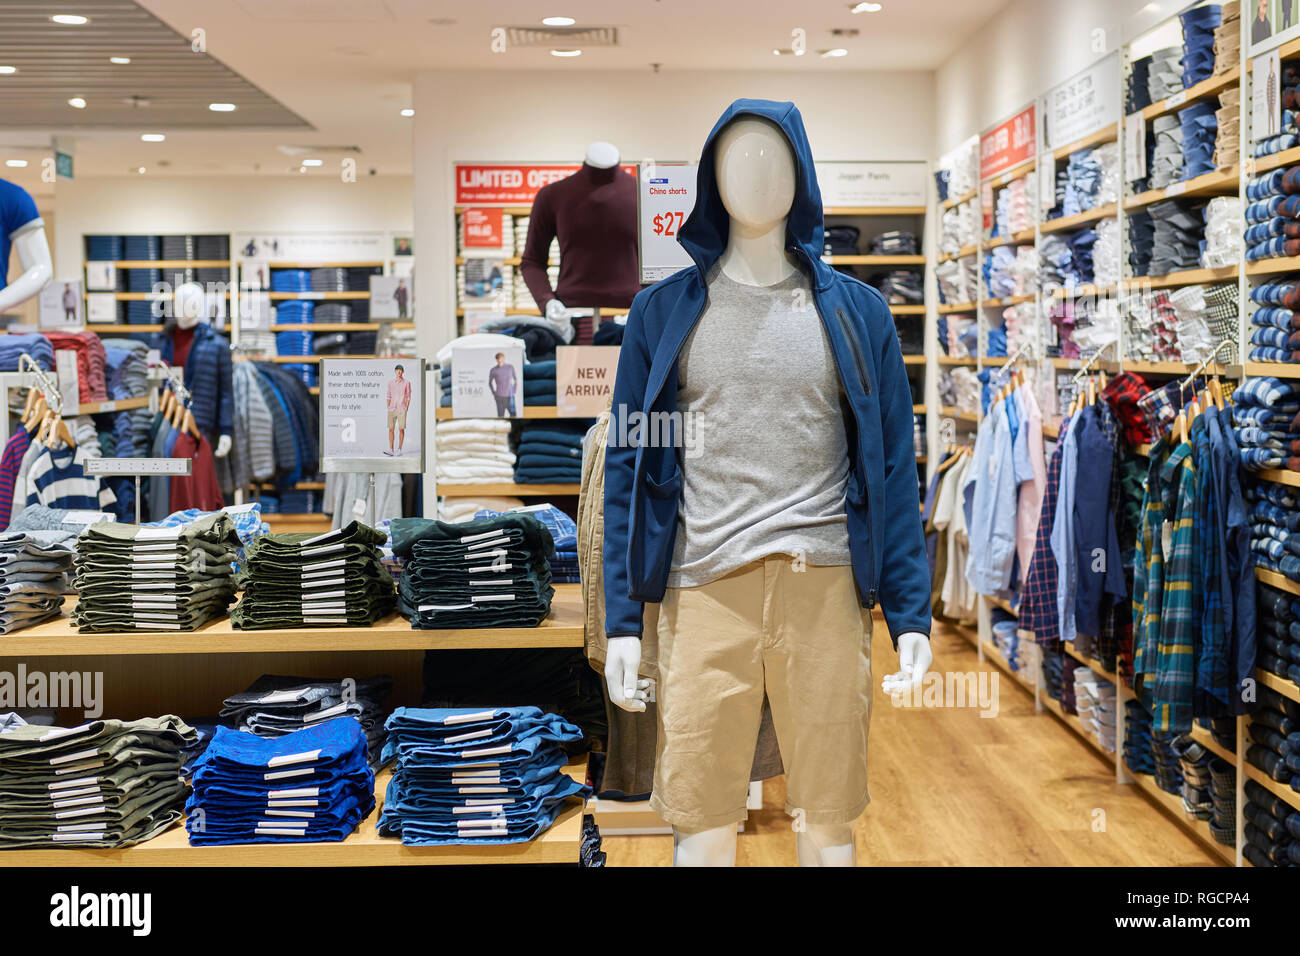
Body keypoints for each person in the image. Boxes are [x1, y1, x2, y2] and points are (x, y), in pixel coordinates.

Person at [385, 363, 412, 456]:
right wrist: (388, 407)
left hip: (402, 408)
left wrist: (406, 408)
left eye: (400, 370)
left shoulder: (407, 383)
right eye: (397, 370)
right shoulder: (390, 382)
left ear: (403, 372)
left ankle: (399, 449)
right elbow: (388, 395)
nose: (399, 372)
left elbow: (408, 396)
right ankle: (391, 449)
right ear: (395, 371)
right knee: (391, 429)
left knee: (401, 429)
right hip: (392, 408)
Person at [488, 351, 516, 417]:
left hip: (509, 396)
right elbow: (490, 383)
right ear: (496, 360)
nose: (499, 361)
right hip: (499, 396)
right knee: (500, 416)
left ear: (503, 359)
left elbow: (515, 380)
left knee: (513, 415)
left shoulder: (510, 367)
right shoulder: (493, 370)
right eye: (498, 360)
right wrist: (494, 393)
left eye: (501, 359)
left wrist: (514, 390)